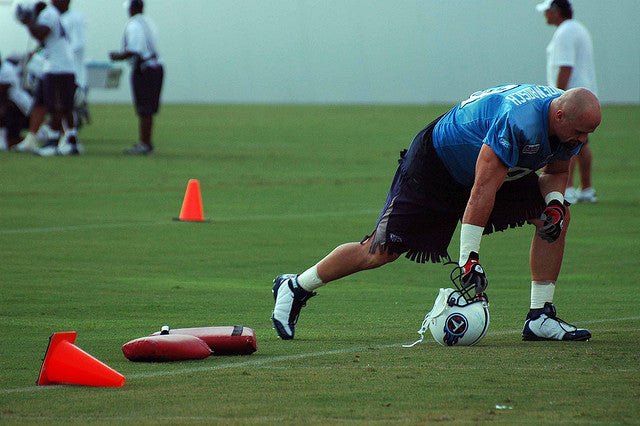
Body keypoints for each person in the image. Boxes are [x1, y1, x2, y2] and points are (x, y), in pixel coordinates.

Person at [271, 84, 601, 343]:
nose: (583, 141)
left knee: (554, 219)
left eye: (588, 135)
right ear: (559, 117)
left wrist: (556, 202)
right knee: (379, 252)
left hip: (490, 166)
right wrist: (469, 258)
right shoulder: (518, 122)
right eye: (580, 133)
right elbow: (482, 190)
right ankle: (297, 286)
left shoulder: (567, 120)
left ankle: (540, 316)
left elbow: (556, 172)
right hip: (437, 165)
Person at [537, 0, 598, 203]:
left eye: (547, 11)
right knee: (582, 143)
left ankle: (568, 188)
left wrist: (559, 98)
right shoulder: (578, 29)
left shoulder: (564, 32)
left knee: (568, 141)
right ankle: (586, 189)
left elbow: (565, 67)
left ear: (556, 11)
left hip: (573, 100)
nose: (545, 15)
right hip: (585, 96)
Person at [13, 0, 82, 156]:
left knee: (56, 106)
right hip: (56, 65)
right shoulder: (53, 14)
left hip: (57, 66)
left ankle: (53, 142)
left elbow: (41, 32)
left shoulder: (49, 14)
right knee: (54, 104)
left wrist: (27, 22)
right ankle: (71, 140)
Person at [109, 0, 164, 155]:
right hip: (156, 66)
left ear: (132, 8)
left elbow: (135, 50)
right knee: (149, 109)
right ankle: (146, 142)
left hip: (144, 69)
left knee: (144, 108)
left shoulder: (134, 25)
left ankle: (144, 143)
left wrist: (117, 56)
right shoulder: (149, 22)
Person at [0, 53, 34, 150]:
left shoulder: (7, 69)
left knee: (4, 108)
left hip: (21, 108)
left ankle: (39, 133)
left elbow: (2, 92)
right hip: (11, 106)